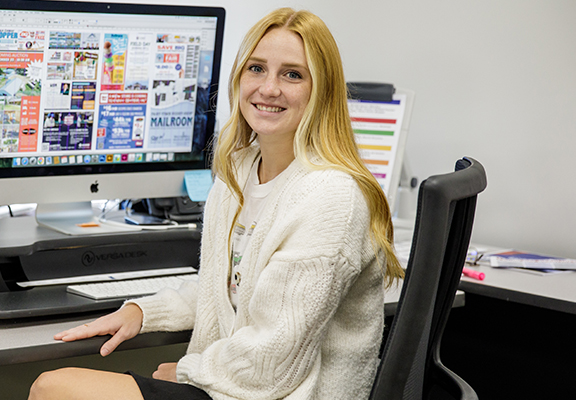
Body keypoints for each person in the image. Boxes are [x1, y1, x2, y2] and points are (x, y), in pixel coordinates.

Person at [28, 7, 403, 400]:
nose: (269, 87)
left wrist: (189, 372)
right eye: (256, 68)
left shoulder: (331, 197)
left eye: (292, 74)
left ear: (321, 90)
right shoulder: (239, 171)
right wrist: (144, 312)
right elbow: (229, 290)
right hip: (238, 387)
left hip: (281, 392)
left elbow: (270, 360)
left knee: (55, 388)